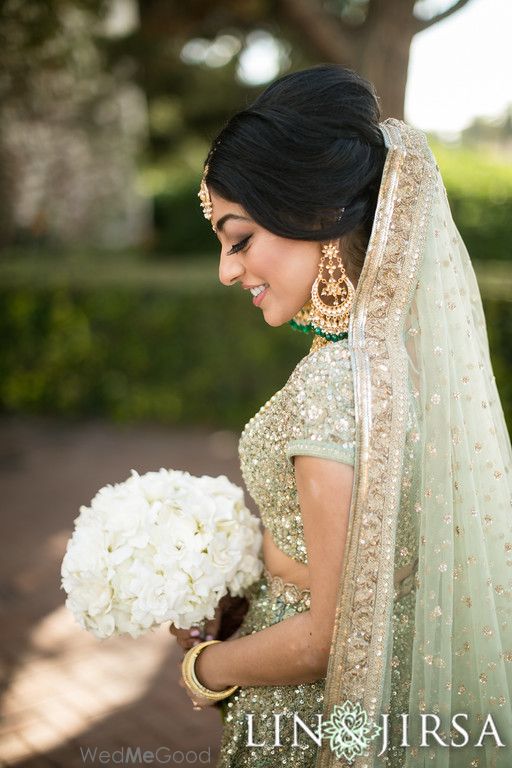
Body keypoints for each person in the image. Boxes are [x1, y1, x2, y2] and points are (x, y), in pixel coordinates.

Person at [170, 64, 512, 767]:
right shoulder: (406, 367)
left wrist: (206, 668)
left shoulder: (332, 382)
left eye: (239, 238)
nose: (227, 271)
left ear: (319, 220)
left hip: (311, 726)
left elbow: (327, 638)